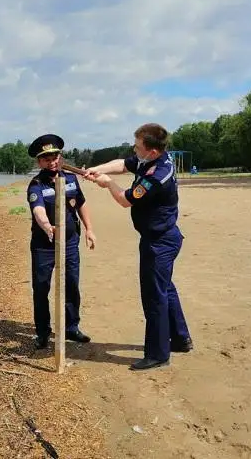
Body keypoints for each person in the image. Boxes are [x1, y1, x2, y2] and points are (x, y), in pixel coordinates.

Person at [83, 123, 192, 371]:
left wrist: (108, 183)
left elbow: (125, 200)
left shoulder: (157, 175)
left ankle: (158, 354)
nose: (135, 149)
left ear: (152, 151)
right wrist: (93, 170)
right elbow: (124, 163)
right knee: (165, 289)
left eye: (138, 145)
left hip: (159, 242)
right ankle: (180, 338)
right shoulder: (149, 160)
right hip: (162, 237)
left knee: (154, 297)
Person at [26, 133, 96, 350]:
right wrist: (48, 227)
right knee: (41, 287)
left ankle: (71, 327)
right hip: (44, 245)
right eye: (46, 158)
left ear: (60, 156)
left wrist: (89, 229)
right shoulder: (36, 184)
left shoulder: (71, 179)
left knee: (71, 284)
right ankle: (43, 332)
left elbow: (81, 203)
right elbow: (38, 210)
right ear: (39, 162)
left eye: (55, 156)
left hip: (70, 242)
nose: (52, 161)